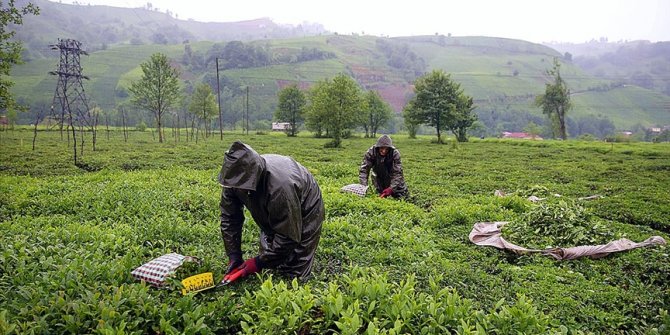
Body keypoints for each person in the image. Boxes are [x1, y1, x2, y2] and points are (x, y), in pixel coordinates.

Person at [218, 141, 325, 283]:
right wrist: (234, 255)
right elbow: (229, 218)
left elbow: (288, 236)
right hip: (277, 197)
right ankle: (272, 257)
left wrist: (256, 263)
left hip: (307, 203)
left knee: (295, 269)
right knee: (272, 251)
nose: (239, 190)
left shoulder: (280, 187)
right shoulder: (233, 178)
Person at [359, 134, 408, 199]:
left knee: (402, 197)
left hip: (393, 179)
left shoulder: (395, 153)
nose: (384, 151)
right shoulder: (371, 152)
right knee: (380, 196)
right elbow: (364, 170)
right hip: (379, 179)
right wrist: (364, 186)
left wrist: (391, 188)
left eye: (386, 149)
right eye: (382, 148)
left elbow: (398, 173)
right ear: (378, 147)